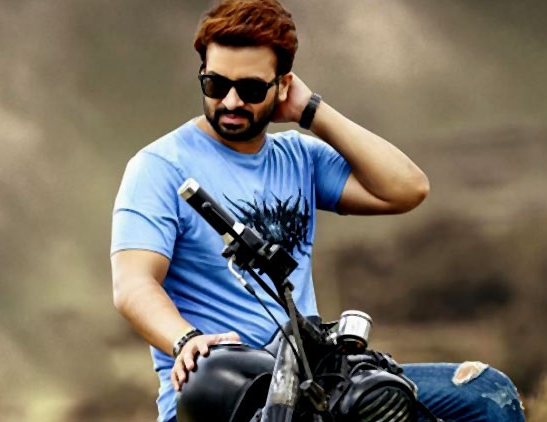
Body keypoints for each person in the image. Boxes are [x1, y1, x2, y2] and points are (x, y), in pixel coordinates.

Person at [110, 1, 525, 421]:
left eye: (251, 89)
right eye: (215, 84)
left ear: (282, 86)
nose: (230, 101)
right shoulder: (160, 167)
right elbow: (134, 284)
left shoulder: (299, 158)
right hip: (228, 398)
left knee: (487, 396)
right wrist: (185, 340)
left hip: (314, 383)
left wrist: (311, 111)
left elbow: (407, 189)